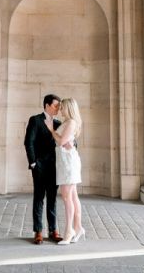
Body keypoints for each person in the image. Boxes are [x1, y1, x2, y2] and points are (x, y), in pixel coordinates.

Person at [43, 97, 84, 245]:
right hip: (64, 161)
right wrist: (64, 140)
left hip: (68, 162)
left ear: (69, 108)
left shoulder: (71, 122)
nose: (60, 109)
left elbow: (61, 141)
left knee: (66, 197)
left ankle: (69, 231)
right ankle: (78, 227)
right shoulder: (67, 122)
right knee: (72, 196)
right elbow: (64, 141)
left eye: (62, 107)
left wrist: (51, 130)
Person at [24, 94, 63, 244]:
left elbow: (66, 140)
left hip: (55, 168)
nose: (58, 109)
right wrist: (33, 163)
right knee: (39, 198)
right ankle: (38, 231)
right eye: (56, 106)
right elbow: (29, 142)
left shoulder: (59, 123)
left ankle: (53, 231)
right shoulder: (35, 120)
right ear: (47, 105)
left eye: (59, 106)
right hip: (39, 167)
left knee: (52, 200)